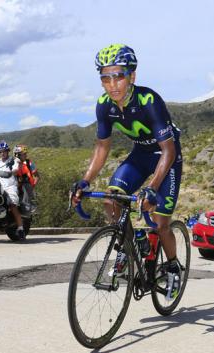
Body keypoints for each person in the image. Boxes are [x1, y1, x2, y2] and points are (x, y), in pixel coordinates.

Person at [70, 43, 183, 301]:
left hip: (167, 159)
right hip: (140, 156)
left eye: (119, 75)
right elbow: (102, 147)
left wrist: (152, 188)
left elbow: (169, 151)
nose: (112, 84)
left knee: (162, 224)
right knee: (112, 199)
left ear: (132, 76)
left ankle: (174, 266)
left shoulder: (149, 101)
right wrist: (85, 181)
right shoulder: (104, 106)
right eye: (105, 78)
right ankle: (128, 245)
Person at [0, 141, 26, 240]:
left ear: (8, 151)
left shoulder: (13, 161)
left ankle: (21, 228)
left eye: (4, 151)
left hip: (10, 186)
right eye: (0, 151)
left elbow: (16, 170)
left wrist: (10, 172)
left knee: (12, 204)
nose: (2, 153)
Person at [13, 144, 39, 215]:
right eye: (23, 154)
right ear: (17, 155)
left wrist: (33, 185)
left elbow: (37, 176)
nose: (25, 155)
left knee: (26, 185)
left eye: (25, 154)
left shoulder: (28, 163)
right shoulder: (12, 163)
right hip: (15, 187)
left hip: (26, 188)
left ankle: (29, 208)